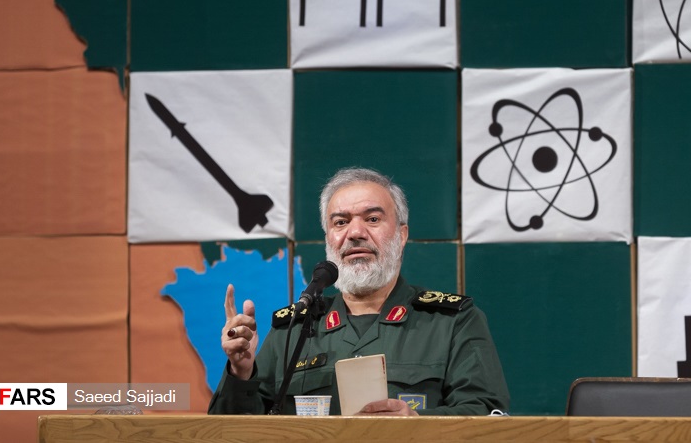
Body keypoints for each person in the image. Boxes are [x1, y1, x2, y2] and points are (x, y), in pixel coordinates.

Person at [208, 167, 510, 415]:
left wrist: (417, 423)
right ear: (329, 238)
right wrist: (241, 373)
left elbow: (487, 413)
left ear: (402, 235)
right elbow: (233, 433)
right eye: (340, 222)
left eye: (372, 219)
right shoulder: (294, 331)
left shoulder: (453, 322)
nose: (354, 233)